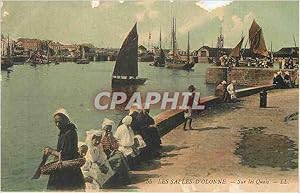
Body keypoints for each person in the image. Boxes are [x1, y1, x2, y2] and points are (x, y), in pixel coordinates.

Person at [45, 109, 85, 191]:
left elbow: (65, 154)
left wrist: (51, 151)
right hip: (68, 166)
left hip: (68, 167)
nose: (57, 124)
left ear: (66, 120)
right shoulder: (64, 132)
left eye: (59, 122)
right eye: (56, 122)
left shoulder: (69, 133)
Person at [101, 118, 131, 186]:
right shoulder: (101, 135)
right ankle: (123, 178)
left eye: (110, 128)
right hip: (104, 155)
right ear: (104, 127)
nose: (109, 129)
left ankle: (124, 178)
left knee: (121, 155)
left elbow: (115, 146)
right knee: (119, 157)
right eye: (107, 127)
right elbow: (102, 148)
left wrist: (111, 139)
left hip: (109, 153)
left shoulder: (110, 135)